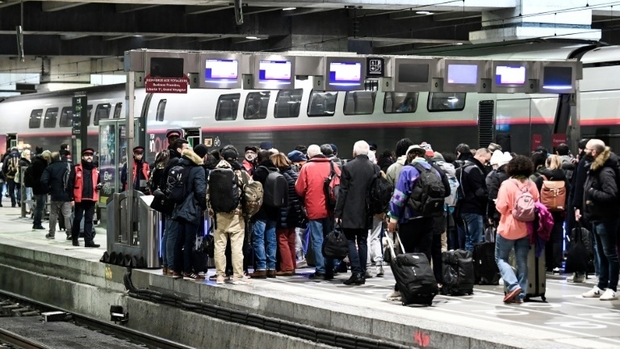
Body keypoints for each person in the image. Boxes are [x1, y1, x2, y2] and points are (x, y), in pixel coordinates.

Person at [494, 155, 539, 304]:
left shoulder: (507, 184)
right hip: (526, 227)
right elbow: (537, 203)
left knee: (501, 258)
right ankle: (521, 294)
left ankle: (513, 286)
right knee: (522, 261)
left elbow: (501, 206)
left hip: (508, 226)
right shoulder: (531, 185)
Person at [335, 141, 379, 285]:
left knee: (350, 241)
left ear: (354, 152)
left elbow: (343, 192)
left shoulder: (348, 167)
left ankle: (356, 272)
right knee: (363, 240)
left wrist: (338, 213)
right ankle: (363, 272)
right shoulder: (375, 168)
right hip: (367, 210)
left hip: (350, 210)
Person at [579, 139, 619, 301]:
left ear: (594, 152)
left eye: (587, 149)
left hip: (606, 218)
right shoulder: (595, 168)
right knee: (601, 254)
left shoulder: (605, 171)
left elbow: (611, 195)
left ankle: (611, 287)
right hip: (596, 218)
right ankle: (601, 285)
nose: (583, 152)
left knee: (610, 253)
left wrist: (592, 192)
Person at [172, 144, 208, 280]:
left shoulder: (180, 166)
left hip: (179, 207)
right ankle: (188, 271)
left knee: (178, 240)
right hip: (192, 208)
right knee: (189, 241)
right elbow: (200, 191)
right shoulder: (198, 169)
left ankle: (176, 270)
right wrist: (203, 205)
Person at [68, 148, 101, 248]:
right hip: (79, 198)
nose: (89, 157)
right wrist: (71, 198)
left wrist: (99, 186)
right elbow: (70, 184)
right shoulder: (76, 168)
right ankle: (75, 238)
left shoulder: (95, 169)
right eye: (86, 155)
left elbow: (98, 181)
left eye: (91, 155)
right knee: (77, 219)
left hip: (91, 198)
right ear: (82, 157)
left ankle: (88, 241)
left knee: (89, 220)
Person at [40, 152, 72, 240]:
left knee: (53, 214)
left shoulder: (49, 168)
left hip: (55, 195)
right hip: (66, 194)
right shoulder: (67, 167)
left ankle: (51, 233)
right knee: (67, 214)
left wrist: (48, 189)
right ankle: (69, 233)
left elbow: (43, 181)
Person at [30, 150, 52, 230]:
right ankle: (37, 223)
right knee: (40, 207)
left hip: (36, 187)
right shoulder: (41, 164)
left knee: (39, 206)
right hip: (39, 188)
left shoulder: (36, 162)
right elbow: (42, 177)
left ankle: (37, 222)